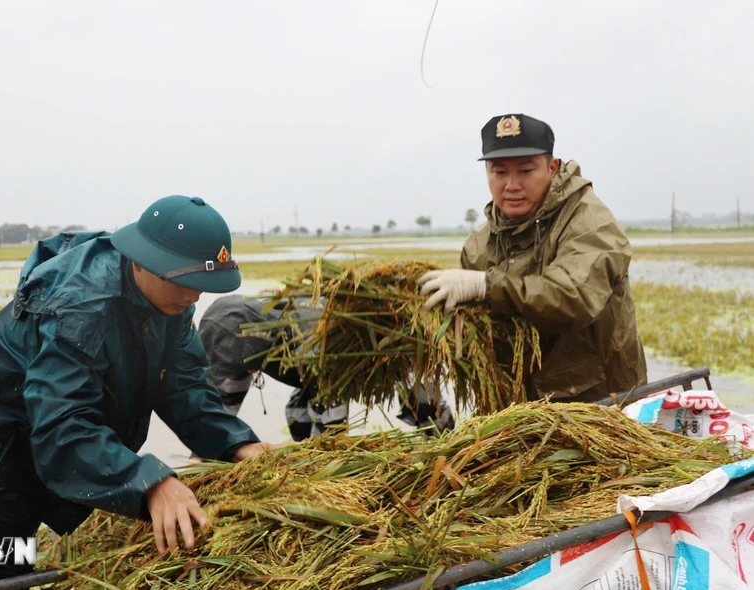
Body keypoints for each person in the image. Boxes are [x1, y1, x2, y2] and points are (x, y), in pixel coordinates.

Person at [0, 196, 272, 590]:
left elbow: (184, 387)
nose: (194, 297)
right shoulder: (82, 306)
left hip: (52, 426)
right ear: (143, 260)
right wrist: (149, 483)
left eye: (202, 285)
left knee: (14, 564)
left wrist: (238, 443)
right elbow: (62, 426)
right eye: (187, 283)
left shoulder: (171, 298)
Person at [419, 114, 647, 403]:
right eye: (499, 173)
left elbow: (572, 297)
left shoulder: (589, 221)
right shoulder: (479, 244)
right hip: (514, 413)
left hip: (598, 404)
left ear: (552, 168)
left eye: (526, 171)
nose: (511, 185)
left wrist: (486, 287)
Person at [199, 294, 455, 439]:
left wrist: (321, 468)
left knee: (422, 403)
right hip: (310, 361)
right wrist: (203, 453)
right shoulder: (233, 333)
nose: (247, 375)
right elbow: (220, 412)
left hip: (384, 347)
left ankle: (448, 446)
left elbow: (332, 427)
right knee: (298, 413)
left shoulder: (311, 342)